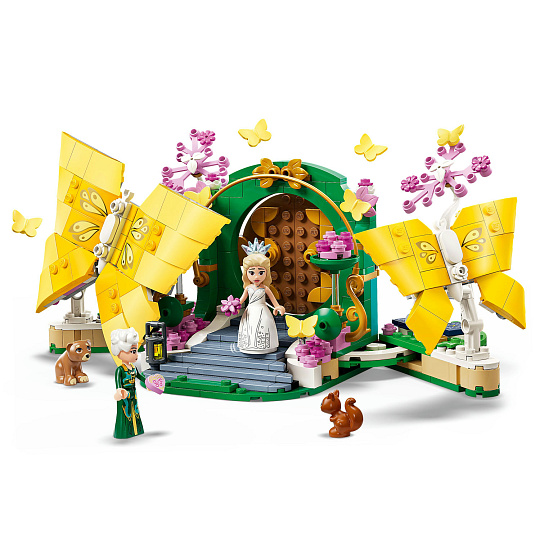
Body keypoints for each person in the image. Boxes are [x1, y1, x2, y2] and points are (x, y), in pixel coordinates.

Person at [237, 238, 285, 354]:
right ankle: (248, 346)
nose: (256, 276)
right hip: (250, 312)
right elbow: (241, 300)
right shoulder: (248, 288)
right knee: (250, 327)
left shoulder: (265, 288)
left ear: (266, 273)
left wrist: (278, 307)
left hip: (263, 311)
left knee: (264, 327)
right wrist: (234, 305)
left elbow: (273, 300)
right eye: (252, 272)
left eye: (261, 272)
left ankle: (265, 346)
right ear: (246, 273)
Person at [111, 328, 145, 439]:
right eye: (133, 351)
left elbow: (140, 377)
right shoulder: (120, 370)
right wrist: (119, 391)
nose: (136, 355)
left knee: (135, 410)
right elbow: (118, 384)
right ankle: (125, 432)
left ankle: (136, 431)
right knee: (126, 412)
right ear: (120, 352)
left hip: (133, 393)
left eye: (136, 351)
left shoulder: (133, 368)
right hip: (124, 394)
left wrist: (149, 382)